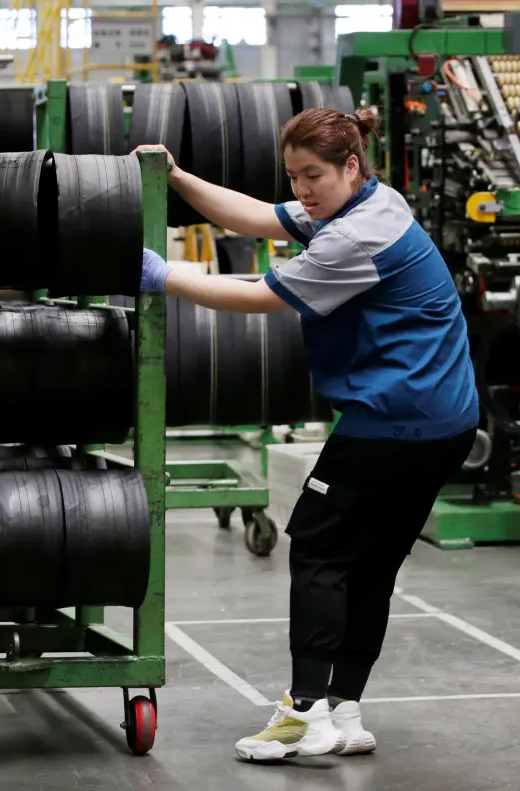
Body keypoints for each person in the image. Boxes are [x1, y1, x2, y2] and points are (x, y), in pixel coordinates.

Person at [136, 107, 479, 761]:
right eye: (293, 176)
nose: (301, 191)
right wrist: (180, 178)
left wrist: (162, 275)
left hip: (394, 422)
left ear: (352, 165)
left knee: (320, 550)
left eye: (312, 176)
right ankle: (344, 710)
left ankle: (302, 714)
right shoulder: (369, 202)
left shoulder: (356, 237)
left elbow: (260, 296)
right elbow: (260, 218)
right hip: (444, 419)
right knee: (370, 564)